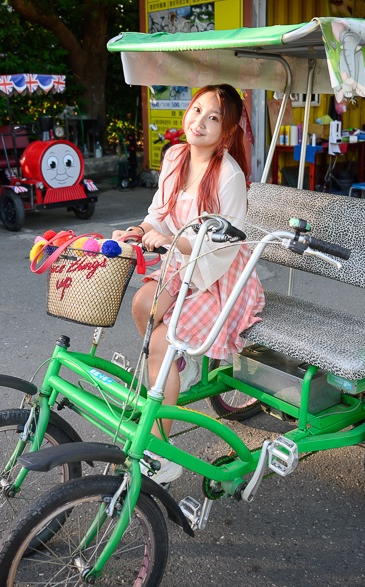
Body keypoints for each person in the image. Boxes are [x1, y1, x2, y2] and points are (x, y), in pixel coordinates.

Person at [112, 84, 265, 484]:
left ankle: (162, 451)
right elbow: (159, 214)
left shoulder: (229, 175)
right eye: (196, 110)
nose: (199, 122)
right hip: (180, 265)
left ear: (228, 130)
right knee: (142, 306)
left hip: (218, 276)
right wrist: (139, 230)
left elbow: (223, 246)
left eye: (213, 117)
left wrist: (172, 241)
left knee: (160, 344)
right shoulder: (176, 156)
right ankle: (180, 365)